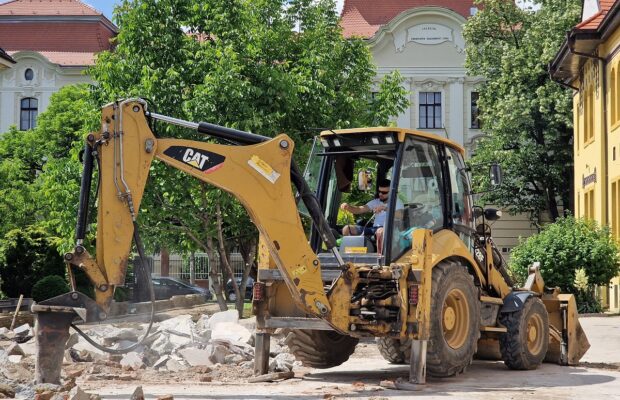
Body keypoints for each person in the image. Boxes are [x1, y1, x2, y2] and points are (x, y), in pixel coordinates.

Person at [340, 179, 403, 254]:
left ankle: (380, 259)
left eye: (384, 192)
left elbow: (400, 215)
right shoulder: (376, 202)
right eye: (379, 191)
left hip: (388, 230)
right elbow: (360, 209)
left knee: (380, 232)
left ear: (392, 192)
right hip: (373, 229)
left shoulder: (397, 202)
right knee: (347, 229)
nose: (380, 194)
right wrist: (348, 207)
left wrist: (385, 208)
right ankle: (349, 256)